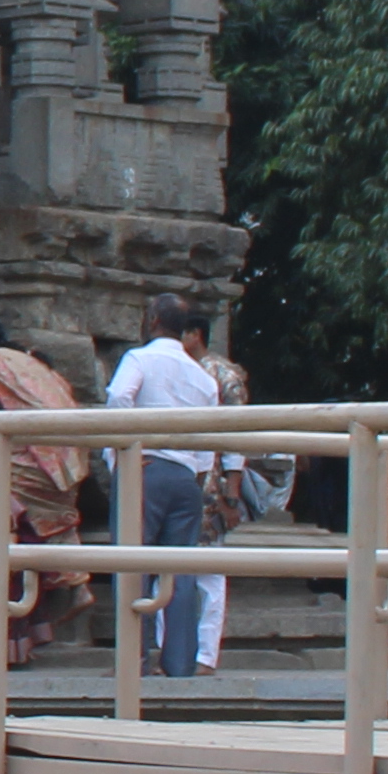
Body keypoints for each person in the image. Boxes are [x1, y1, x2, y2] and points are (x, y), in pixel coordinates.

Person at [0, 310, 93, 665]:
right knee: (58, 516)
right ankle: (79, 587)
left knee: (19, 521)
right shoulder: (30, 360)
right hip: (69, 454)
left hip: (30, 457)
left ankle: (25, 603)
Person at [106, 290, 230, 679]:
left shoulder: (139, 358)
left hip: (145, 469)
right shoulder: (202, 376)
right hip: (186, 477)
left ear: (152, 320)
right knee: (180, 570)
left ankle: (133, 660)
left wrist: (123, 452)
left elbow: (118, 397)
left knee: (132, 567)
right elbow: (211, 436)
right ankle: (178, 664)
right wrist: (194, 469)